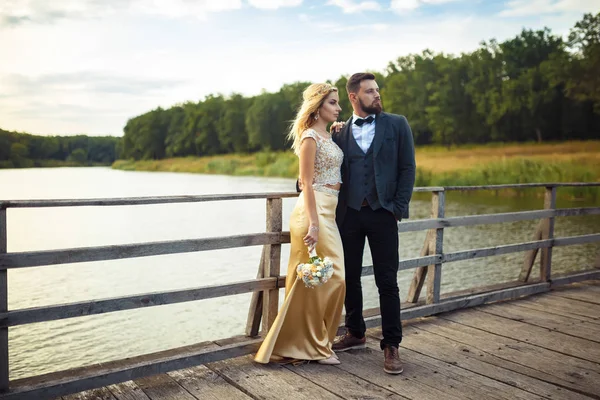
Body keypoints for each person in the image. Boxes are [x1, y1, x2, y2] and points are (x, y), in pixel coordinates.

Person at [254, 83, 346, 365]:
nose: (338, 108)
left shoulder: (326, 135)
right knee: (327, 276)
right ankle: (313, 347)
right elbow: (305, 182)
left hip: (328, 209)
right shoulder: (309, 137)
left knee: (325, 277)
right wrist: (314, 224)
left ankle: (312, 343)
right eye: (332, 103)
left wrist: (336, 131)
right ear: (318, 107)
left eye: (338, 103)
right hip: (312, 211)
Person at [331, 72, 416, 375]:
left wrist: (396, 208)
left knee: (387, 281)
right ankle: (355, 333)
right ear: (353, 97)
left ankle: (391, 344)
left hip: (383, 213)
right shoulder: (338, 132)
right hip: (349, 214)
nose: (376, 95)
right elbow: (325, 165)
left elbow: (407, 168)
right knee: (349, 277)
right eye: (369, 92)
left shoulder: (397, 124)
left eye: (377, 90)